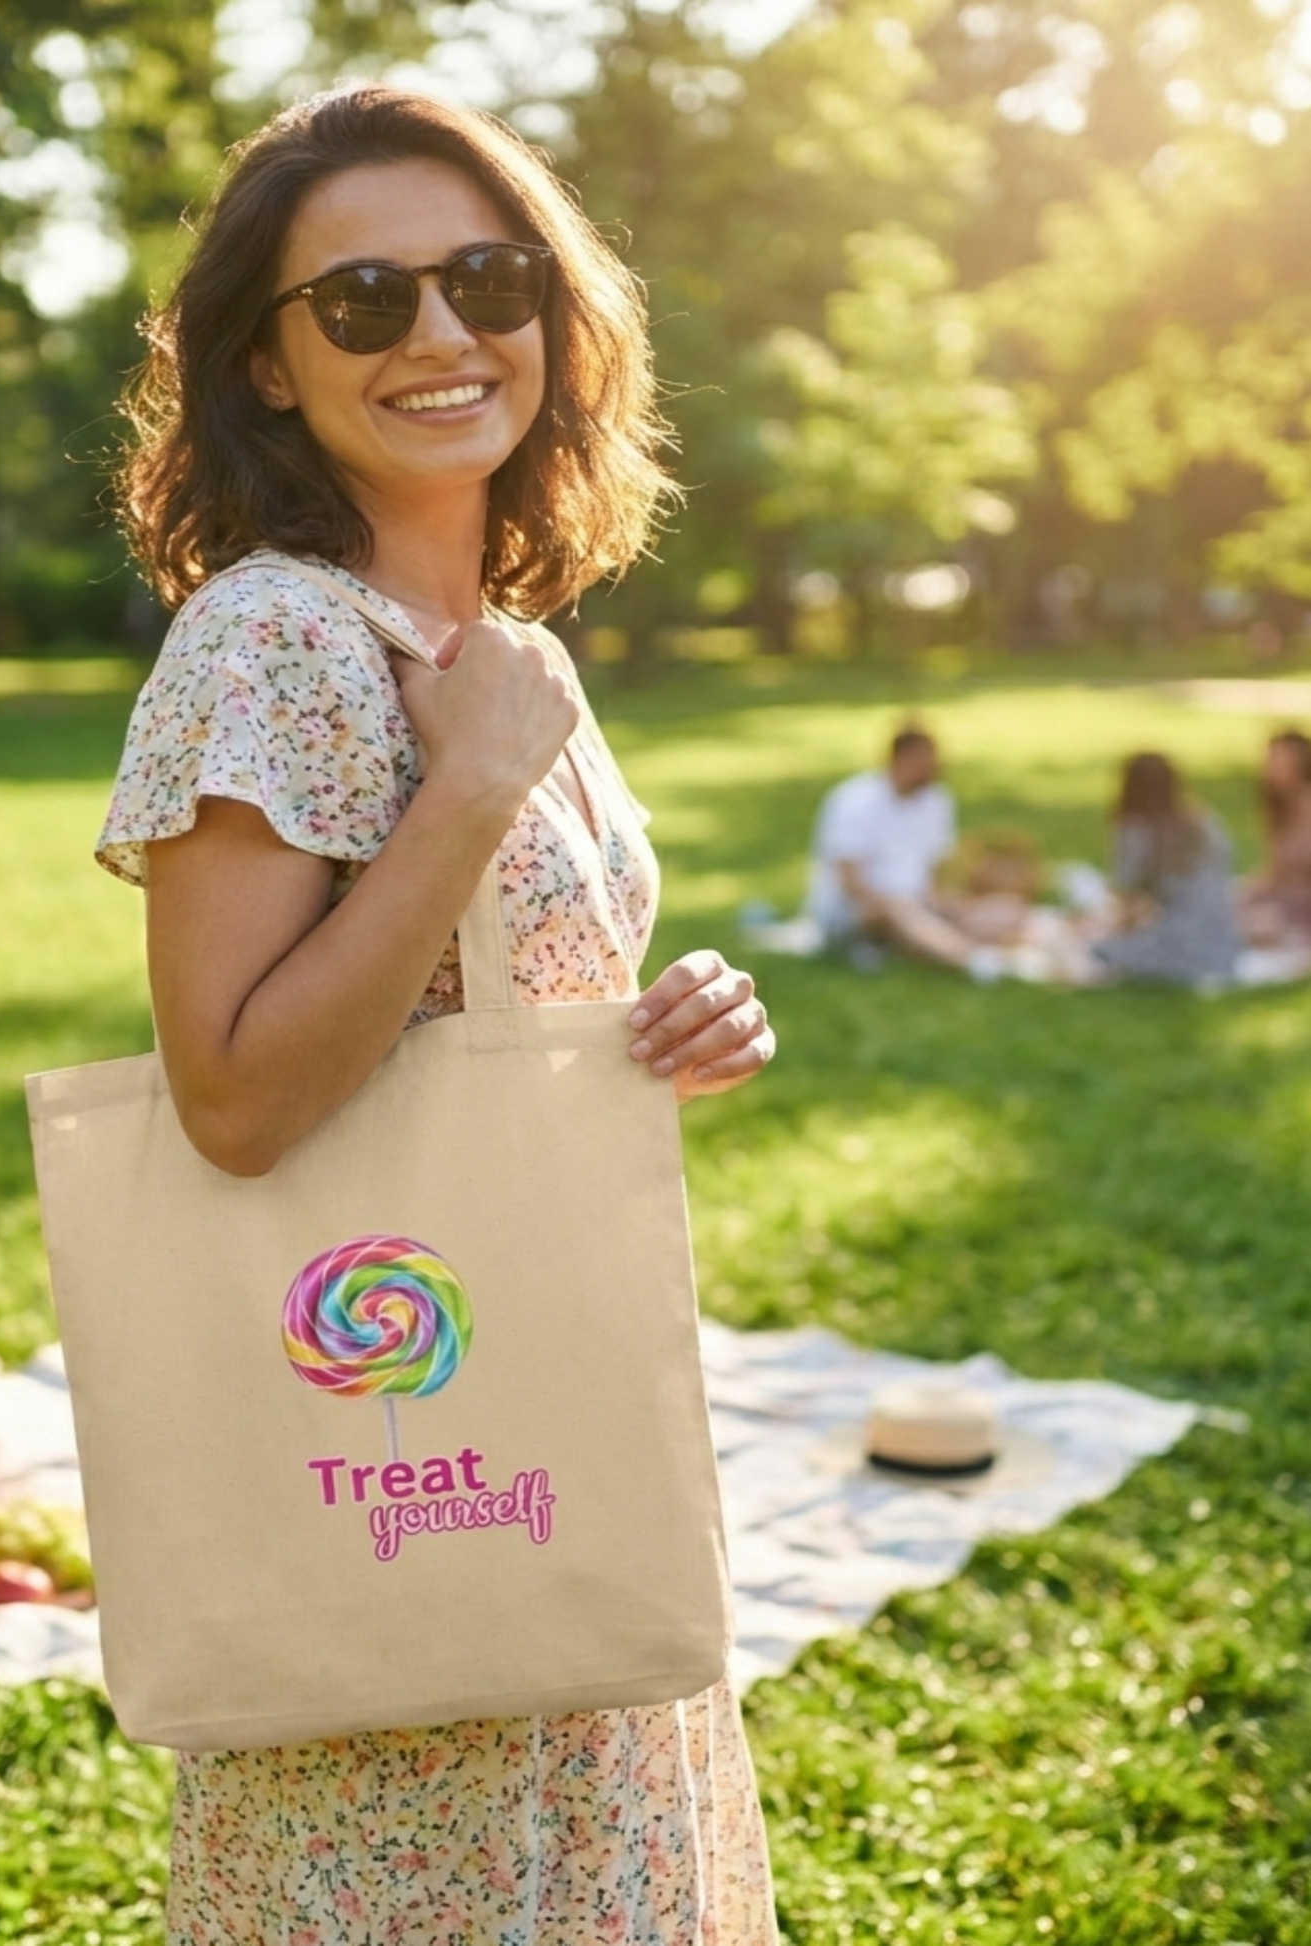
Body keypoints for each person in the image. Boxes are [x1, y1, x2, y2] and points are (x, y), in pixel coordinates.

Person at [100, 85, 779, 1943]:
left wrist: (666, 1031)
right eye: (365, 300)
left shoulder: (512, 652)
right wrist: (470, 791)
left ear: (553, 314)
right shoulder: (269, 639)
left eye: (486, 277)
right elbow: (232, 1098)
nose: (442, 334)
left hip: (553, 1453)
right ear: (264, 361)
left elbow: (480, 1021)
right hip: (401, 1498)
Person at [803, 726, 1013, 973]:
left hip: (917, 900)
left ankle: (954, 946)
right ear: (899, 758)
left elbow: (934, 870)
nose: (934, 767)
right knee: (902, 911)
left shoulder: (937, 800)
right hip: (856, 909)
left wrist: (947, 903)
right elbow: (850, 881)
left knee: (1000, 910)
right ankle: (973, 962)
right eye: (924, 759)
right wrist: (899, 906)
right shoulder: (854, 800)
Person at [1090, 751, 1240, 988]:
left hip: (1179, 950)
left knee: (1096, 950)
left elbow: (1126, 905)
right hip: (1226, 945)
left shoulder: (1136, 829)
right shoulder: (1204, 820)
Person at [1241, 728, 1311, 948]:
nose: (1269, 767)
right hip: (1283, 903)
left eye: (1279, 759)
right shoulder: (1278, 810)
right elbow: (1275, 873)